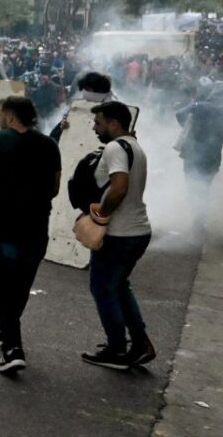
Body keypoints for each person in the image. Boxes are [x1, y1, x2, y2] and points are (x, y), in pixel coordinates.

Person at [0, 96, 62, 374]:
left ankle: (12, 347)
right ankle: (7, 330)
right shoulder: (49, 144)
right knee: (20, 283)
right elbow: (54, 188)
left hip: (2, 225)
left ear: (9, 116)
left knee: (1, 282)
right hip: (36, 225)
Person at [81, 101, 155, 371]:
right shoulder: (134, 146)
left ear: (114, 124)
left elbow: (119, 187)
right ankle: (140, 344)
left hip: (120, 233)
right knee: (119, 286)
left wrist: (101, 215)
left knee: (102, 288)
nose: (95, 127)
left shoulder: (115, 148)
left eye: (99, 122)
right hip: (138, 230)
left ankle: (116, 349)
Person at [175, 86, 223, 231]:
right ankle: (200, 218)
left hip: (191, 153)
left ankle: (197, 218)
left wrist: (187, 126)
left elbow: (179, 114)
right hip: (212, 156)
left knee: (192, 186)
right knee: (204, 187)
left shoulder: (199, 106)